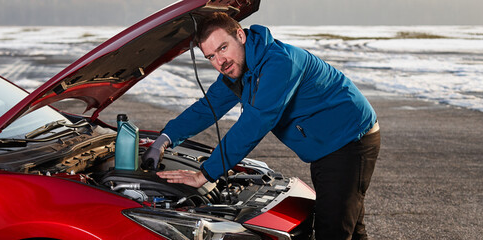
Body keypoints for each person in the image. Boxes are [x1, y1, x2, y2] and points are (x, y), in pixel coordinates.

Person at [142, 12, 380, 239]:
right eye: (211, 56)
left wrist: (205, 173)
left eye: (223, 48)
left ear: (240, 35)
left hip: (348, 140)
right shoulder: (240, 69)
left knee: (332, 232)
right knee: (350, 227)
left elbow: (254, 123)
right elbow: (207, 107)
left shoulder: (279, 63)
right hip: (326, 145)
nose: (220, 61)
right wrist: (165, 139)